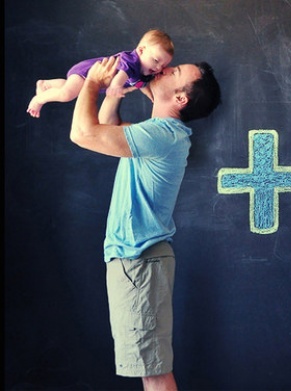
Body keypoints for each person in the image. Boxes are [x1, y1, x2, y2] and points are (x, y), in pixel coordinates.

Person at [69, 55, 221, 390]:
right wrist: (117, 88)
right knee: (148, 367)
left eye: (174, 71)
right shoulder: (157, 135)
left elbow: (83, 134)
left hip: (139, 262)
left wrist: (93, 81)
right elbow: (109, 125)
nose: (165, 69)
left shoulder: (162, 135)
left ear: (181, 98)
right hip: (138, 262)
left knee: (153, 371)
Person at [27, 28, 174, 118]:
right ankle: (38, 100)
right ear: (141, 50)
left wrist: (152, 96)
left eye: (163, 65)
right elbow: (123, 72)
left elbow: (140, 85)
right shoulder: (131, 60)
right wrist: (116, 85)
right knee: (67, 95)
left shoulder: (142, 72)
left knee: (70, 88)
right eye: (156, 60)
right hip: (88, 71)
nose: (158, 67)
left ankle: (46, 84)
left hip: (90, 79)